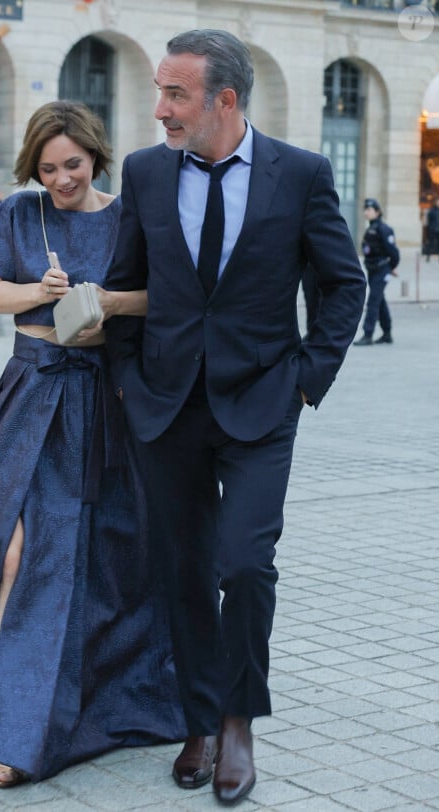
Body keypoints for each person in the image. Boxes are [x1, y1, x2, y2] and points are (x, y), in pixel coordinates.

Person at [104, 29, 366, 806]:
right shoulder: (146, 174)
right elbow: (125, 282)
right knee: (182, 570)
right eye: (158, 91)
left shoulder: (303, 175)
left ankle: (239, 719)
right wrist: (124, 377)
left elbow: (342, 283)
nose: (160, 110)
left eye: (176, 94)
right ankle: (198, 722)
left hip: (262, 403)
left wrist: (307, 380)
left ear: (225, 99)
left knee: (244, 567)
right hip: (165, 407)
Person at [0, 101, 185, 789]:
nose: (61, 178)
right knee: (11, 555)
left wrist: (108, 302)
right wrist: (41, 288)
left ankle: (90, 707)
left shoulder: (129, 215)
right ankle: (14, 720)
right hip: (30, 394)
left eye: (73, 164)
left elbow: (166, 298)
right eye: (48, 166)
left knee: (109, 560)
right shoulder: (20, 214)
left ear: (95, 155)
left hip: (105, 399)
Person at [354, 198, 399, 346]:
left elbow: (393, 252)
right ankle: (387, 333)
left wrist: (391, 267)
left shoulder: (384, 229)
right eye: (365, 210)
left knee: (373, 300)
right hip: (373, 270)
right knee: (379, 301)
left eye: (369, 210)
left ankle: (368, 334)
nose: (366, 212)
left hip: (382, 269)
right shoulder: (371, 228)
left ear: (377, 212)